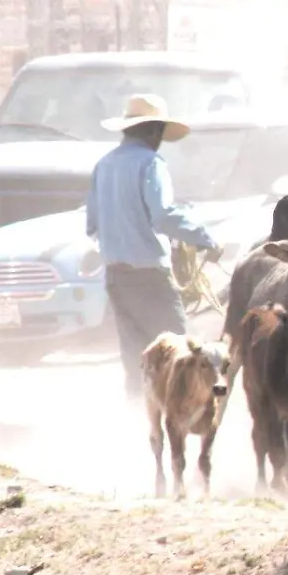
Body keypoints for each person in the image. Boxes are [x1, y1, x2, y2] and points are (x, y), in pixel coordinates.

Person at [86, 94, 220, 399]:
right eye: (159, 132)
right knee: (179, 351)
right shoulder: (150, 163)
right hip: (149, 275)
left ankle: (140, 419)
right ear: (153, 131)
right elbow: (163, 215)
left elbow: (92, 223)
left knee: (138, 356)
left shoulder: (104, 166)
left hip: (117, 274)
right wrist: (204, 239)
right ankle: (182, 418)